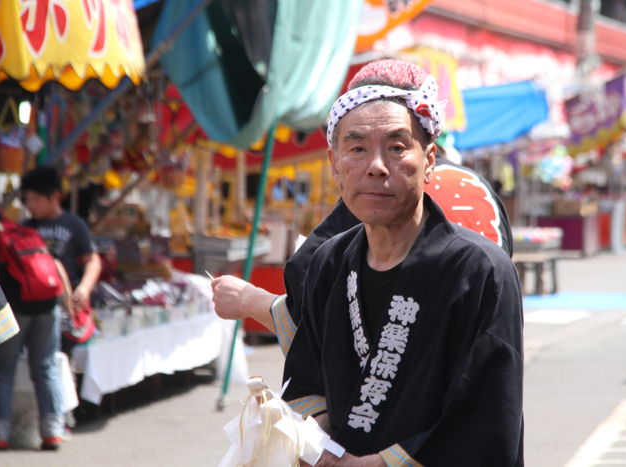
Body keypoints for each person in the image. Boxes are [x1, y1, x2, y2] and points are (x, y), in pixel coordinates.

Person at [214, 60, 523, 465]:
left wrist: (382, 463)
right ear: (335, 164)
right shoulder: (330, 260)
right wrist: (319, 446)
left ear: (429, 158)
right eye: (357, 148)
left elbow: (487, 411)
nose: (376, 166)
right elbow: (307, 373)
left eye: (396, 147)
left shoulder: (480, 271)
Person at [0, 166, 101, 450]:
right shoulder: (27, 226)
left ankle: (2, 431)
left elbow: (92, 260)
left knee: (5, 368)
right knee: (45, 367)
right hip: (49, 306)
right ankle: (52, 429)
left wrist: (82, 290)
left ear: (53, 196)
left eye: (33, 199)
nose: (29, 205)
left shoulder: (72, 225)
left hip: (22, 308)